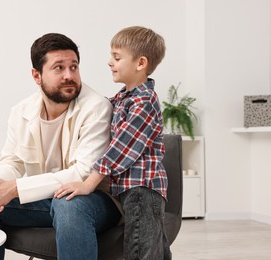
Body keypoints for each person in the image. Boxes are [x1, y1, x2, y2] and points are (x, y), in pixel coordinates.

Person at [0, 33, 121, 260]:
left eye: (74, 67)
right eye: (59, 68)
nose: (70, 75)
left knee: (69, 205)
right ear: (37, 75)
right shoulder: (21, 111)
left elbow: (83, 173)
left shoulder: (96, 107)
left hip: (94, 201)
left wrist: (14, 188)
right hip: (49, 198)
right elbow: (12, 160)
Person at [55, 26, 171, 259]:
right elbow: (97, 107)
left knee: (140, 251)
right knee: (157, 249)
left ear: (140, 64)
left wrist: (89, 182)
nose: (110, 62)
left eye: (117, 58)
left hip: (142, 190)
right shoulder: (123, 98)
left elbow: (121, 148)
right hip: (128, 191)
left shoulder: (144, 102)